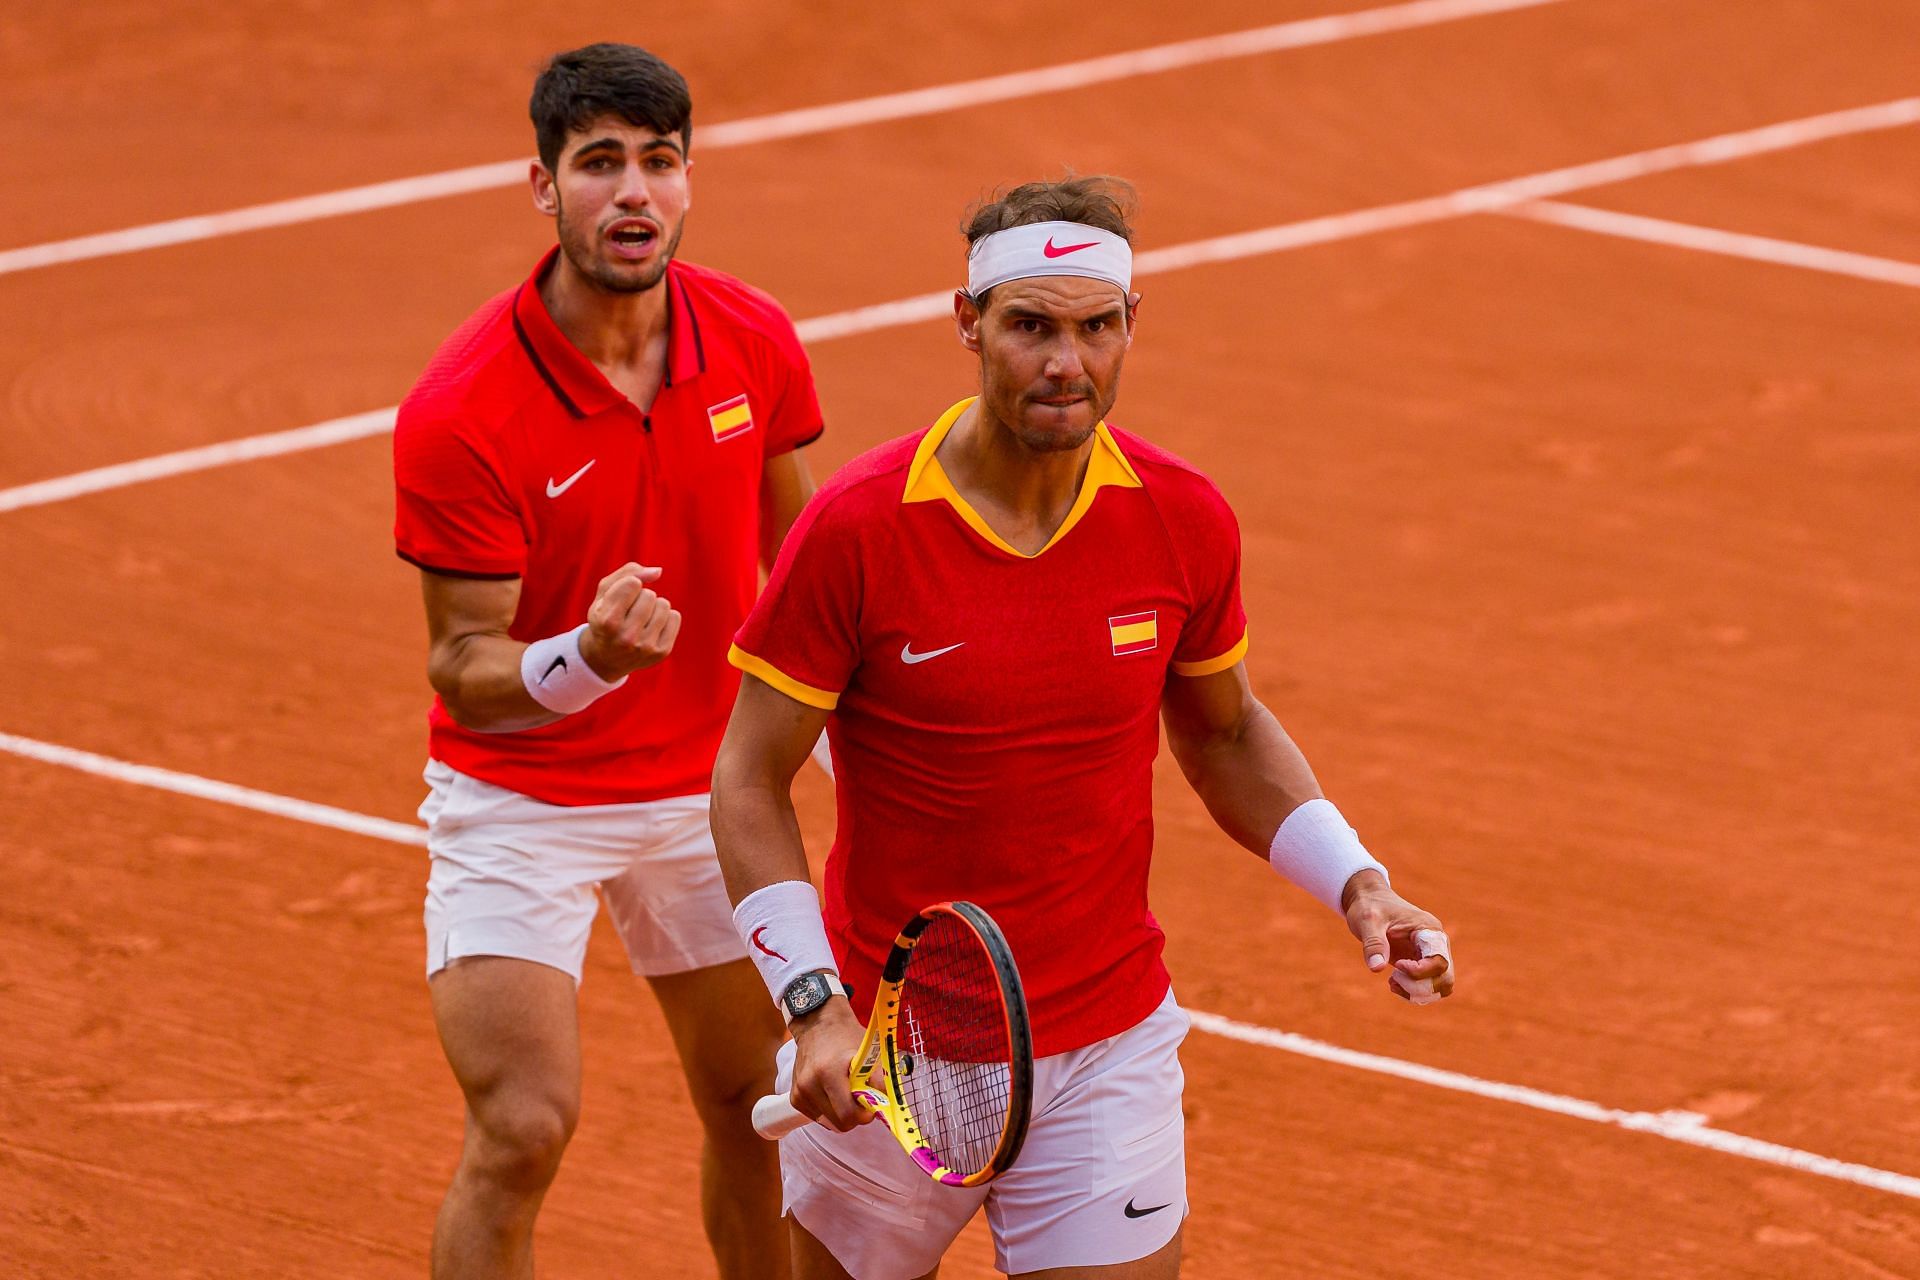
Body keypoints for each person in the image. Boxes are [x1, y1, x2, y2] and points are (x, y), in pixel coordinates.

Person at [709, 176, 1455, 1280]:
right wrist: (812, 1002)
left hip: (1107, 1042)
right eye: (1031, 327)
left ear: (1131, 324)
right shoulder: (859, 529)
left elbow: (1226, 732)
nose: (1068, 363)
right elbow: (748, 780)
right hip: (892, 1045)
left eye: (1096, 326)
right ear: (968, 324)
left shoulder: (1180, 515)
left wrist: (1358, 880)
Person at [391, 43, 823, 1280]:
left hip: (707, 793)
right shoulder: (464, 407)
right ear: (543, 185)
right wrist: (580, 657)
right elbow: (463, 659)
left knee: (762, 1100)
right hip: (522, 800)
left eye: (659, 161)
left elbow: (796, 555)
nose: (633, 191)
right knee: (522, 1127)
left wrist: (849, 715)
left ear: (688, 180)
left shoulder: (750, 337)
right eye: (598, 165)